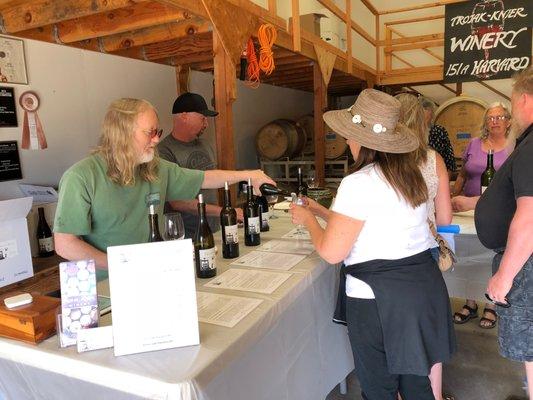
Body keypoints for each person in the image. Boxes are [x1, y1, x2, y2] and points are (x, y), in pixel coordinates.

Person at [290, 89, 455, 400]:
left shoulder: (358, 183)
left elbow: (331, 251)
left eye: (350, 136)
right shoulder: (410, 178)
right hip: (420, 292)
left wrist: (308, 220)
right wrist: (321, 213)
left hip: (376, 301)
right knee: (417, 385)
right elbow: (376, 227)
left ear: (360, 140)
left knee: (379, 388)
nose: (348, 142)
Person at [54, 98, 273, 277]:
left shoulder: (154, 168)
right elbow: (65, 244)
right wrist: (123, 265)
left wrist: (249, 174)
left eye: (157, 132)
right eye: (149, 133)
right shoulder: (81, 177)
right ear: (121, 132)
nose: (157, 140)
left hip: (152, 275)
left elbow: (204, 178)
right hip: (107, 288)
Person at [476, 66, 533, 399]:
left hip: (525, 265)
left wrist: (504, 276)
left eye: (512, 103)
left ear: (524, 99)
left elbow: (529, 216)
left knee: (530, 345)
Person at [396, 93, 453, 400]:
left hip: (389, 257)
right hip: (425, 254)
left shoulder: (381, 161)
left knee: (398, 330)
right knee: (429, 331)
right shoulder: (434, 160)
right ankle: (435, 395)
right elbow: (444, 217)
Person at [451, 102, 513, 329]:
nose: (495, 120)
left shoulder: (513, 146)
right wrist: (452, 196)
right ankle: (470, 301)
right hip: (467, 210)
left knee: (490, 255)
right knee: (467, 254)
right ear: (485, 122)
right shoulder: (474, 144)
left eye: (500, 117)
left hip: (498, 212)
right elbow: (463, 173)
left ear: (508, 121)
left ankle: (491, 305)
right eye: (491, 117)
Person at [158, 92, 244, 239]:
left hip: (214, 229)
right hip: (186, 235)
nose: (206, 123)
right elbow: (178, 201)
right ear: (184, 116)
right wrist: (223, 211)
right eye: (202, 118)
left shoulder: (205, 144)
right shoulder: (164, 151)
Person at [419, 96, 457, 175]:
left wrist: (445, 182)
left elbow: (450, 162)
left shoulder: (438, 131)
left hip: (437, 177)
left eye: (429, 115)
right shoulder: (409, 134)